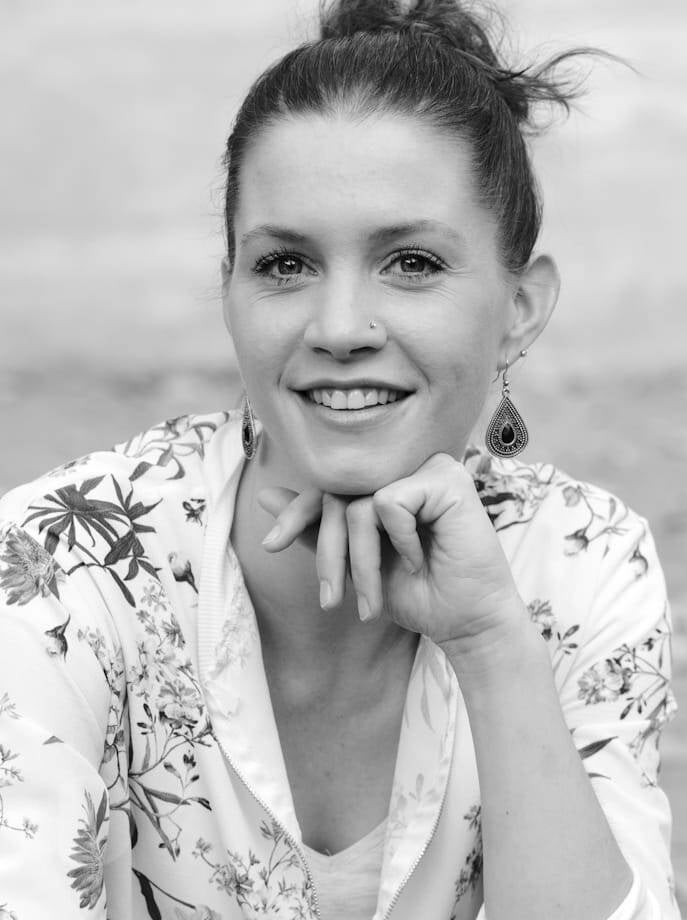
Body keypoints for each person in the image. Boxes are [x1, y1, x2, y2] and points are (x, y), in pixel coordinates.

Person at [0, 0, 680, 917]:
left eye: (411, 262)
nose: (340, 327)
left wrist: (489, 643)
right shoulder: (56, 571)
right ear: (230, 290)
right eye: (285, 265)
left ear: (519, 308)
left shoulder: (582, 564)